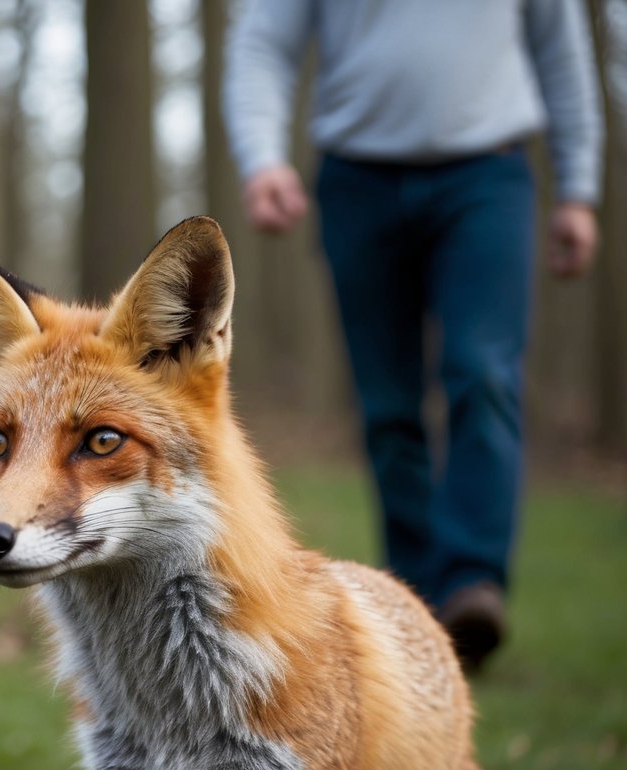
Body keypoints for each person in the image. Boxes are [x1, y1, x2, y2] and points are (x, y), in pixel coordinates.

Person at [223, 0, 604, 670]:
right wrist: (262, 159)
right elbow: (261, 46)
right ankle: (419, 603)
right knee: (388, 406)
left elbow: (560, 53)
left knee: (482, 372)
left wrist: (577, 189)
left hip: (486, 174)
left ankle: (471, 583)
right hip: (356, 180)